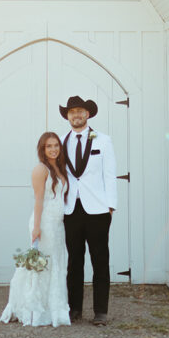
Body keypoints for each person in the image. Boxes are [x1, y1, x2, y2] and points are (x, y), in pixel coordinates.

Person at [0, 131, 72, 327]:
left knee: (55, 263)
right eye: (49, 146)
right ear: (42, 149)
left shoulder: (59, 167)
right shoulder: (40, 169)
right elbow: (39, 199)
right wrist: (37, 227)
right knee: (42, 265)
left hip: (57, 224)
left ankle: (53, 306)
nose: (53, 149)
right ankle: (33, 308)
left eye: (56, 145)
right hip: (44, 222)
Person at [60, 95, 116, 326]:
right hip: (71, 209)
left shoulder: (103, 140)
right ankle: (74, 310)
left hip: (98, 210)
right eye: (72, 112)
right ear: (68, 116)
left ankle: (100, 312)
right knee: (74, 261)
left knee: (100, 260)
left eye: (80, 111)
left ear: (88, 114)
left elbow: (110, 174)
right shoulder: (62, 141)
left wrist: (111, 206)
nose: (76, 115)